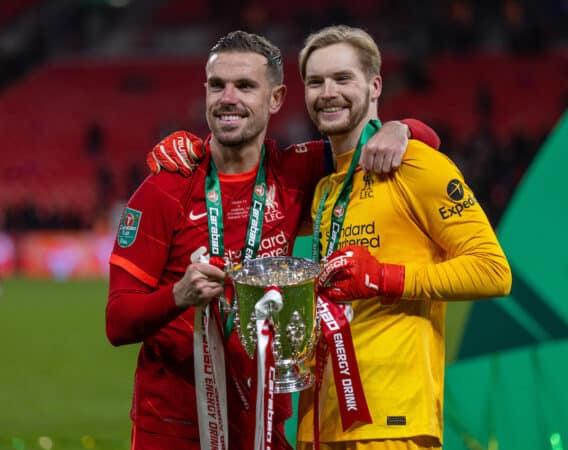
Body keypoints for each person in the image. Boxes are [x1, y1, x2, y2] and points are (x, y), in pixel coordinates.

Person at [106, 31, 439, 450]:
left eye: (245, 86)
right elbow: (117, 322)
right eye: (217, 85)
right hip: (175, 426)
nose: (228, 98)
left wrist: (399, 128)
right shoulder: (166, 189)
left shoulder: (296, 173)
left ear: (277, 98)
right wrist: (178, 294)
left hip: (262, 420)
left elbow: (417, 142)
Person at [291, 25, 512, 450]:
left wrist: (386, 278)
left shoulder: (417, 165)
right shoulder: (324, 187)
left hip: (394, 424)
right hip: (320, 425)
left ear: (374, 85)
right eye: (315, 82)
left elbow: (493, 271)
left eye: (342, 78)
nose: (327, 92)